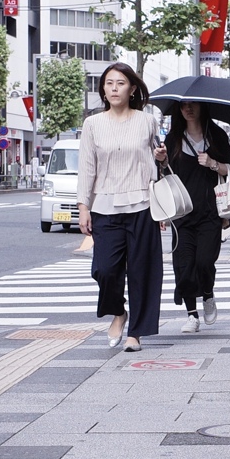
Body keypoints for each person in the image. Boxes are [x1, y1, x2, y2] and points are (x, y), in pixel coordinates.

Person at [77, 62, 168, 353]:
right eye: (109, 83)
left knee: (142, 271)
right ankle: (119, 312)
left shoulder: (146, 121)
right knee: (105, 270)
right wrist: (83, 207)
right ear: (103, 90)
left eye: (120, 83)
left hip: (142, 205)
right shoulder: (92, 124)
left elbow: (159, 164)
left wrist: (162, 158)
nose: (114, 88)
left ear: (131, 89)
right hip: (104, 206)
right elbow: (87, 168)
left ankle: (135, 333)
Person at [162, 101, 230, 333]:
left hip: (209, 212)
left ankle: (208, 293)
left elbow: (229, 169)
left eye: (193, 105)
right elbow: (165, 176)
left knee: (204, 261)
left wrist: (212, 163)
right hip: (181, 213)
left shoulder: (216, 136)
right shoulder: (173, 139)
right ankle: (192, 315)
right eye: (183, 105)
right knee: (184, 265)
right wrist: (162, 161)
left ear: (203, 107)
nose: (188, 109)